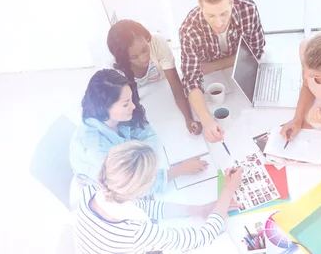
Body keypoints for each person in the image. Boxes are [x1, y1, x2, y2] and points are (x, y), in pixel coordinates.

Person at [74, 141, 243, 253]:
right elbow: (200, 237)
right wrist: (227, 191)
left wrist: (197, 210)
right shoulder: (136, 232)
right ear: (142, 188)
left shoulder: (92, 190)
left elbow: (144, 207)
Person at [69, 69, 207, 203]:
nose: (133, 106)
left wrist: (145, 161)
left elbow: (147, 133)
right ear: (104, 107)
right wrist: (179, 170)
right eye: (126, 104)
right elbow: (136, 189)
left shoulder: (111, 117)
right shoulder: (98, 152)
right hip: (109, 199)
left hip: (133, 176)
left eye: (130, 100)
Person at [180, 0, 266, 143]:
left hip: (240, 71)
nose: (218, 23)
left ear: (232, 1)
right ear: (200, 5)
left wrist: (215, 65)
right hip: (214, 79)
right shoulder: (188, 29)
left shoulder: (248, 9)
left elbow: (256, 51)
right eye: (210, 15)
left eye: (224, 13)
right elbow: (191, 80)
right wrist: (207, 119)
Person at [107, 19, 202, 135]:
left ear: (147, 39)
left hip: (163, 89)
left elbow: (176, 86)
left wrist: (188, 118)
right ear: (123, 57)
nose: (143, 59)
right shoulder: (112, 67)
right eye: (134, 57)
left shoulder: (157, 42)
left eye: (145, 50)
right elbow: (119, 106)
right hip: (139, 102)